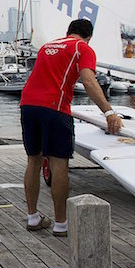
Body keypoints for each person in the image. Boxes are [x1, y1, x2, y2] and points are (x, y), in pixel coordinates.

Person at [19, 17, 123, 236]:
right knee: (59, 165)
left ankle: (32, 217)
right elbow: (88, 81)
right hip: (54, 107)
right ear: (89, 37)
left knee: (33, 160)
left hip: (28, 104)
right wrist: (109, 111)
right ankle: (61, 224)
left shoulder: (48, 46)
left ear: (68, 31)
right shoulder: (82, 48)